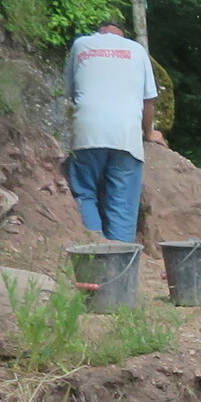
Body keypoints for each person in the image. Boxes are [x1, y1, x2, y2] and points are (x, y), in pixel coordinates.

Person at [64, 20, 164, 241]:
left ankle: (92, 251)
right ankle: (120, 258)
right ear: (122, 35)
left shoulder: (81, 45)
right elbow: (148, 101)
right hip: (126, 135)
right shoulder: (137, 50)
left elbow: (72, 93)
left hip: (88, 132)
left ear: (99, 32)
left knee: (84, 193)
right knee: (122, 205)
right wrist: (149, 134)